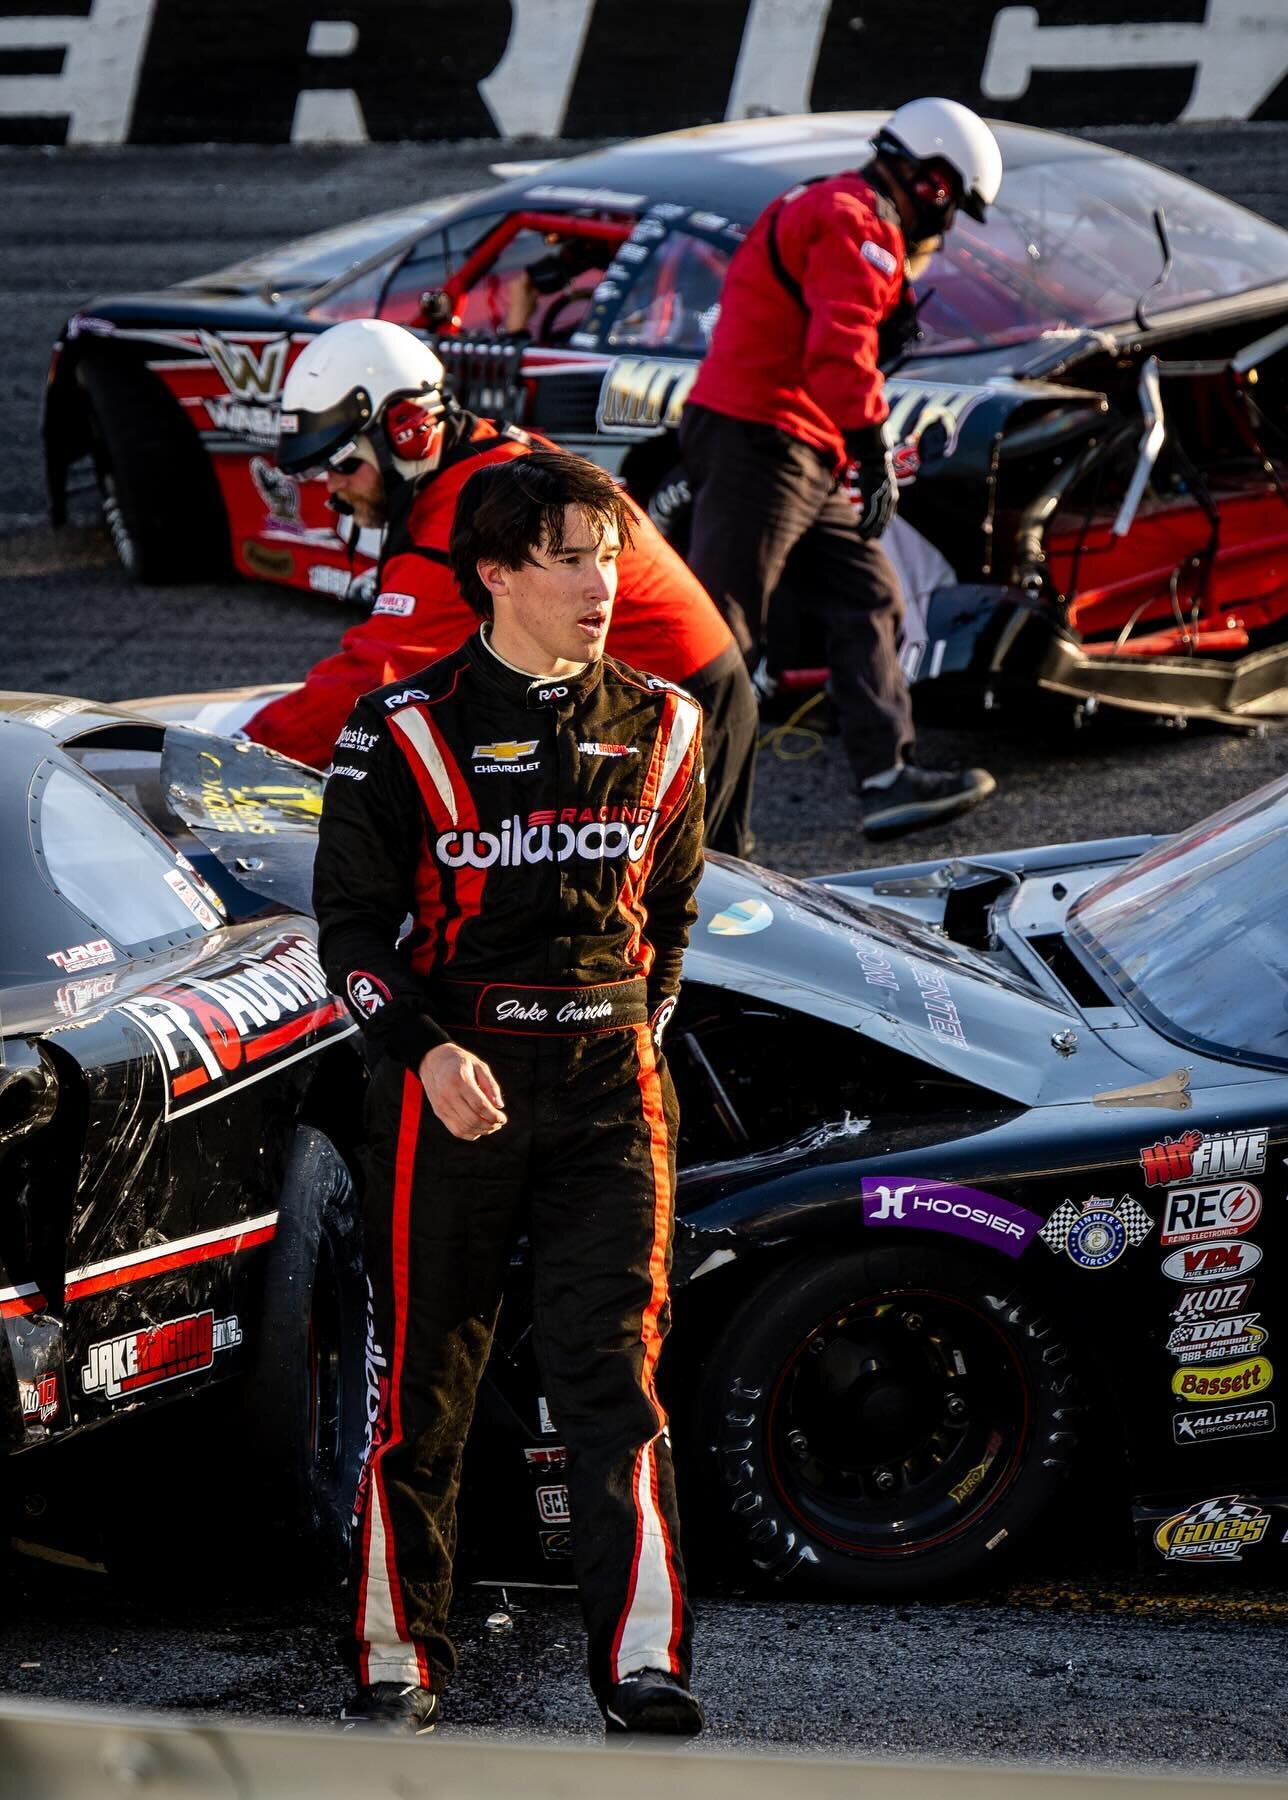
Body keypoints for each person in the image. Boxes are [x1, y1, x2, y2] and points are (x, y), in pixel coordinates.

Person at [314, 449, 706, 1738]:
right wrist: (424, 1050)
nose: (604, 581)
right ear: (494, 575)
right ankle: (396, 1661)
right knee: (421, 1391)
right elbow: (351, 936)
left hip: (607, 1095)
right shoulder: (399, 729)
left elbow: (677, 919)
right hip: (449, 1092)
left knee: (616, 1383)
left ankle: (642, 1665)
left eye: (611, 554)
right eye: (572, 557)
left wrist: (632, 1042)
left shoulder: (669, 722)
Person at [247, 318, 756, 855]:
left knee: (667, 914)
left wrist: (243, 752)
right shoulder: (476, 456)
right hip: (651, 692)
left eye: (344, 464)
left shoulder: (469, 515)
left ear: (408, 430)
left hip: (674, 705)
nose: (334, 487)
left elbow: (375, 680)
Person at [679, 97, 1004, 841]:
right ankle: (694, 830)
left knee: (867, 595)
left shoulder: (830, 203)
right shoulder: (861, 223)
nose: (948, 229)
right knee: (721, 639)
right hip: (762, 439)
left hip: (794, 444)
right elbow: (839, 351)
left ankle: (887, 779)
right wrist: (872, 444)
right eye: (953, 208)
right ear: (932, 184)